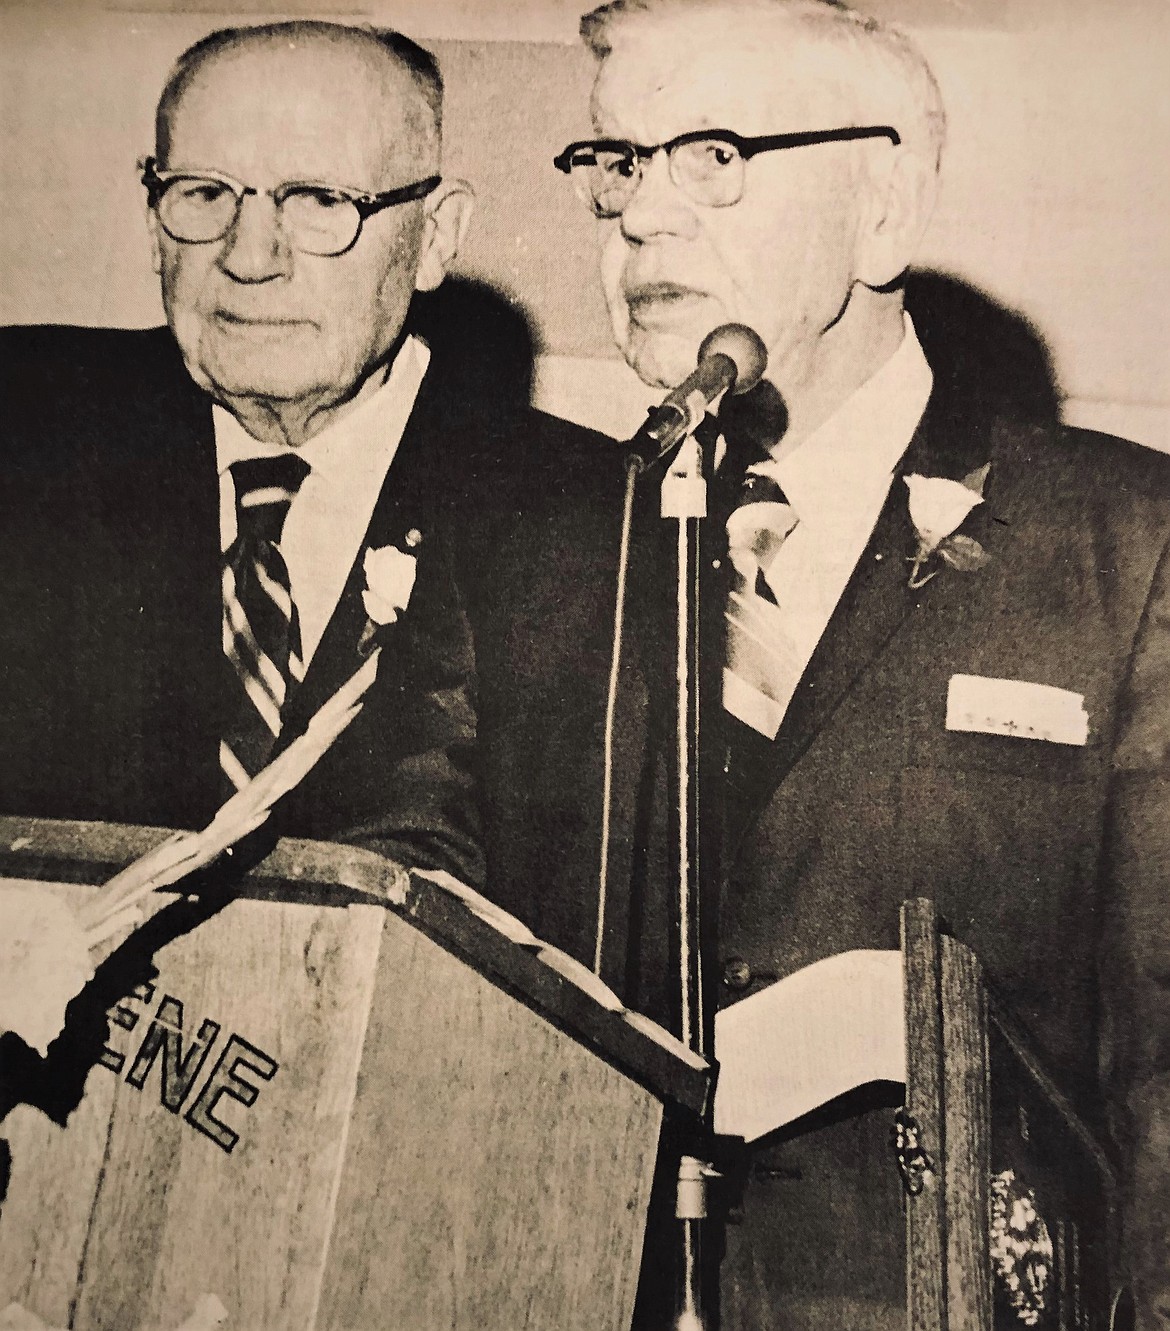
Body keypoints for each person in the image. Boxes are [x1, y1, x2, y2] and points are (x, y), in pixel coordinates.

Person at [553, 0, 1170, 1325]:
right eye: (618, 163)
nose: (644, 217)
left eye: (711, 156)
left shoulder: (1126, 546)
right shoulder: (537, 548)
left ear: (885, 202)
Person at [0, 20, 619, 895]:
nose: (249, 258)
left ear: (437, 235)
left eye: (320, 201)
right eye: (205, 193)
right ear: (152, 222)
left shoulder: (591, 519)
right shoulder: (27, 435)